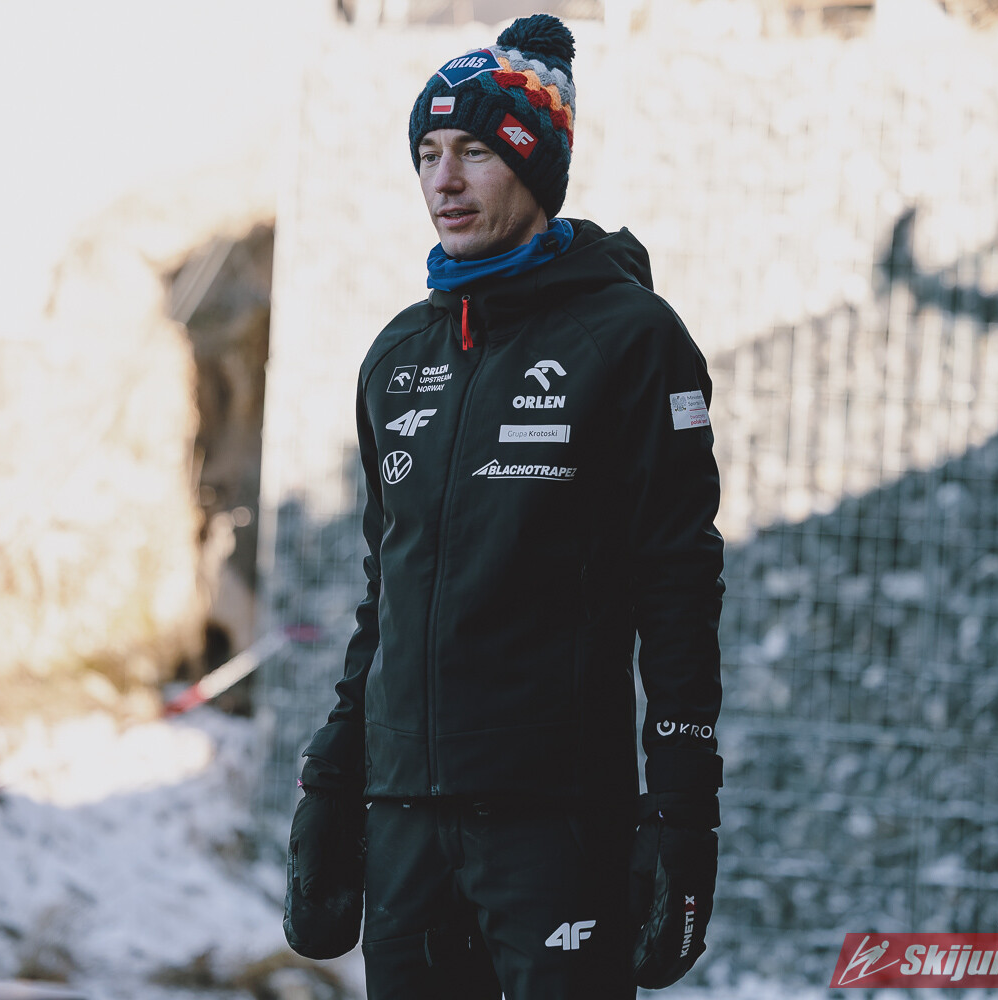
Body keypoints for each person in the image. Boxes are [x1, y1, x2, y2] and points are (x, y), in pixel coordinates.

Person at [283, 14, 724, 999]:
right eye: (428, 153)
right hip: (405, 817)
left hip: (554, 819)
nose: (444, 180)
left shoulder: (632, 340)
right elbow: (387, 597)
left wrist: (682, 808)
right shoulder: (398, 357)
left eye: (476, 152)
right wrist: (335, 773)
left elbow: (680, 587)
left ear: (535, 167)